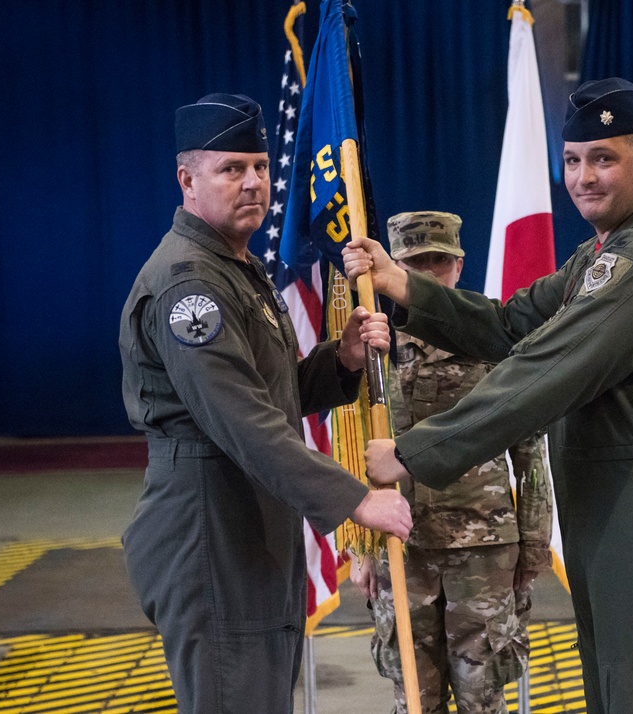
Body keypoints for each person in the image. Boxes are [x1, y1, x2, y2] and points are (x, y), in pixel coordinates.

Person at [343, 78, 633, 714]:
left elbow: (542, 374)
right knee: (620, 691)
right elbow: (509, 325)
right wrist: (406, 289)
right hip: (621, 502)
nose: (583, 177)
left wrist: (415, 452)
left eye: (604, 158)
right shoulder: (602, 254)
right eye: (574, 160)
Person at [118, 93, 412, 714]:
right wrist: (356, 499)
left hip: (248, 526)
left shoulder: (235, 268)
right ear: (187, 180)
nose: (252, 182)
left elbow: (270, 393)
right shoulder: (190, 283)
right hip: (211, 529)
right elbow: (244, 422)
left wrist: (344, 360)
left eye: (259, 166)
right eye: (231, 169)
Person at [350, 211, 553, 714]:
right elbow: (351, 444)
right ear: (391, 266)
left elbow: (529, 453)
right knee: (414, 699)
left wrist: (534, 545)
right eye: (413, 262)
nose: (427, 273)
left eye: (438, 261)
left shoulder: (494, 336)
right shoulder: (372, 341)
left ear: (459, 266)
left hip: (483, 550)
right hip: (402, 546)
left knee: (483, 698)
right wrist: (356, 548)